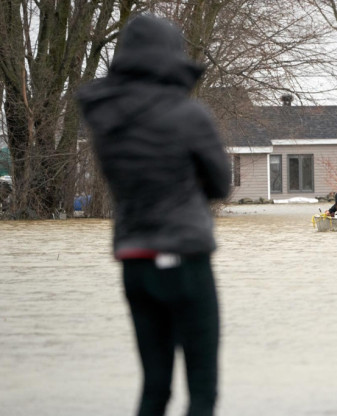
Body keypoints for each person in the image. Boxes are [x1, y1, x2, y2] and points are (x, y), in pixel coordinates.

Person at [77, 15, 230, 416]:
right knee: (201, 388)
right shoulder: (187, 114)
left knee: (154, 388)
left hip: (133, 260)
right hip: (184, 259)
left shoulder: (105, 117)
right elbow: (220, 184)